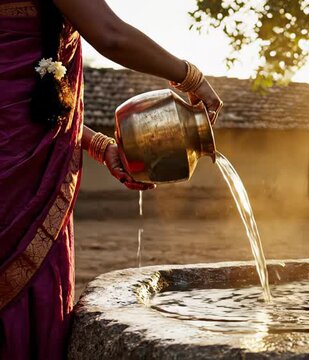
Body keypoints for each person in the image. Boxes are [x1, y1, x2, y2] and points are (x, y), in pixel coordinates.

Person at [0, 0, 223, 358]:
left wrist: (99, 146)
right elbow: (111, 35)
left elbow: (25, 105)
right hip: (17, 192)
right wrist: (191, 77)